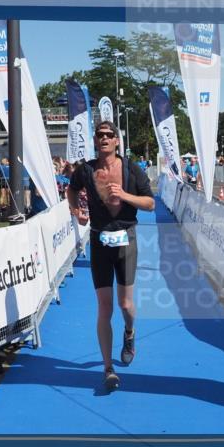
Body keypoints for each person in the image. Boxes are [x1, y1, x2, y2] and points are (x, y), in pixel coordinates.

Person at [66, 121, 155, 391]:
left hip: (126, 237)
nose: (104, 139)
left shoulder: (130, 169)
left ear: (117, 141)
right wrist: (75, 211)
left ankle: (129, 333)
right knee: (105, 307)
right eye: (100, 135)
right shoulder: (87, 170)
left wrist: (125, 195)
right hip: (99, 238)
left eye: (109, 135)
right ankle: (108, 368)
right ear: (95, 141)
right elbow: (71, 190)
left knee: (125, 305)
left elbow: (150, 204)